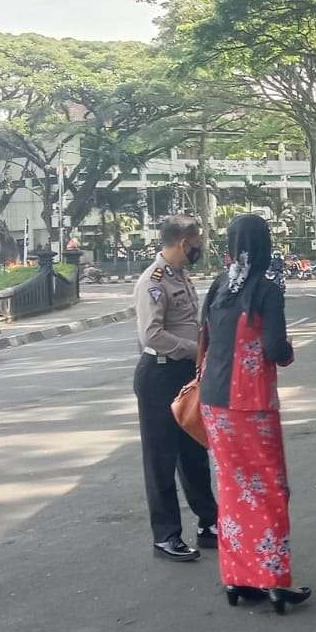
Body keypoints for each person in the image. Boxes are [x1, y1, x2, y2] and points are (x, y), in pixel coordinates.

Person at [198, 214, 308, 613]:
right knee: (269, 489)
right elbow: (276, 349)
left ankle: (237, 578)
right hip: (252, 404)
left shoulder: (218, 286)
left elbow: (206, 338)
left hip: (214, 403)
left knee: (231, 487)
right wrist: (290, 349)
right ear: (264, 248)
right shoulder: (267, 289)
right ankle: (275, 581)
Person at [132, 216, 218, 562]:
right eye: (198, 242)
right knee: (161, 459)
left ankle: (209, 523)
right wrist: (192, 348)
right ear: (185, 242)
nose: (200, 248)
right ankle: (166, 535)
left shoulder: (180, 275)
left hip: (184, 373)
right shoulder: (152, 282)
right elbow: (151, 336)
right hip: (159, 376)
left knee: (194, 452)